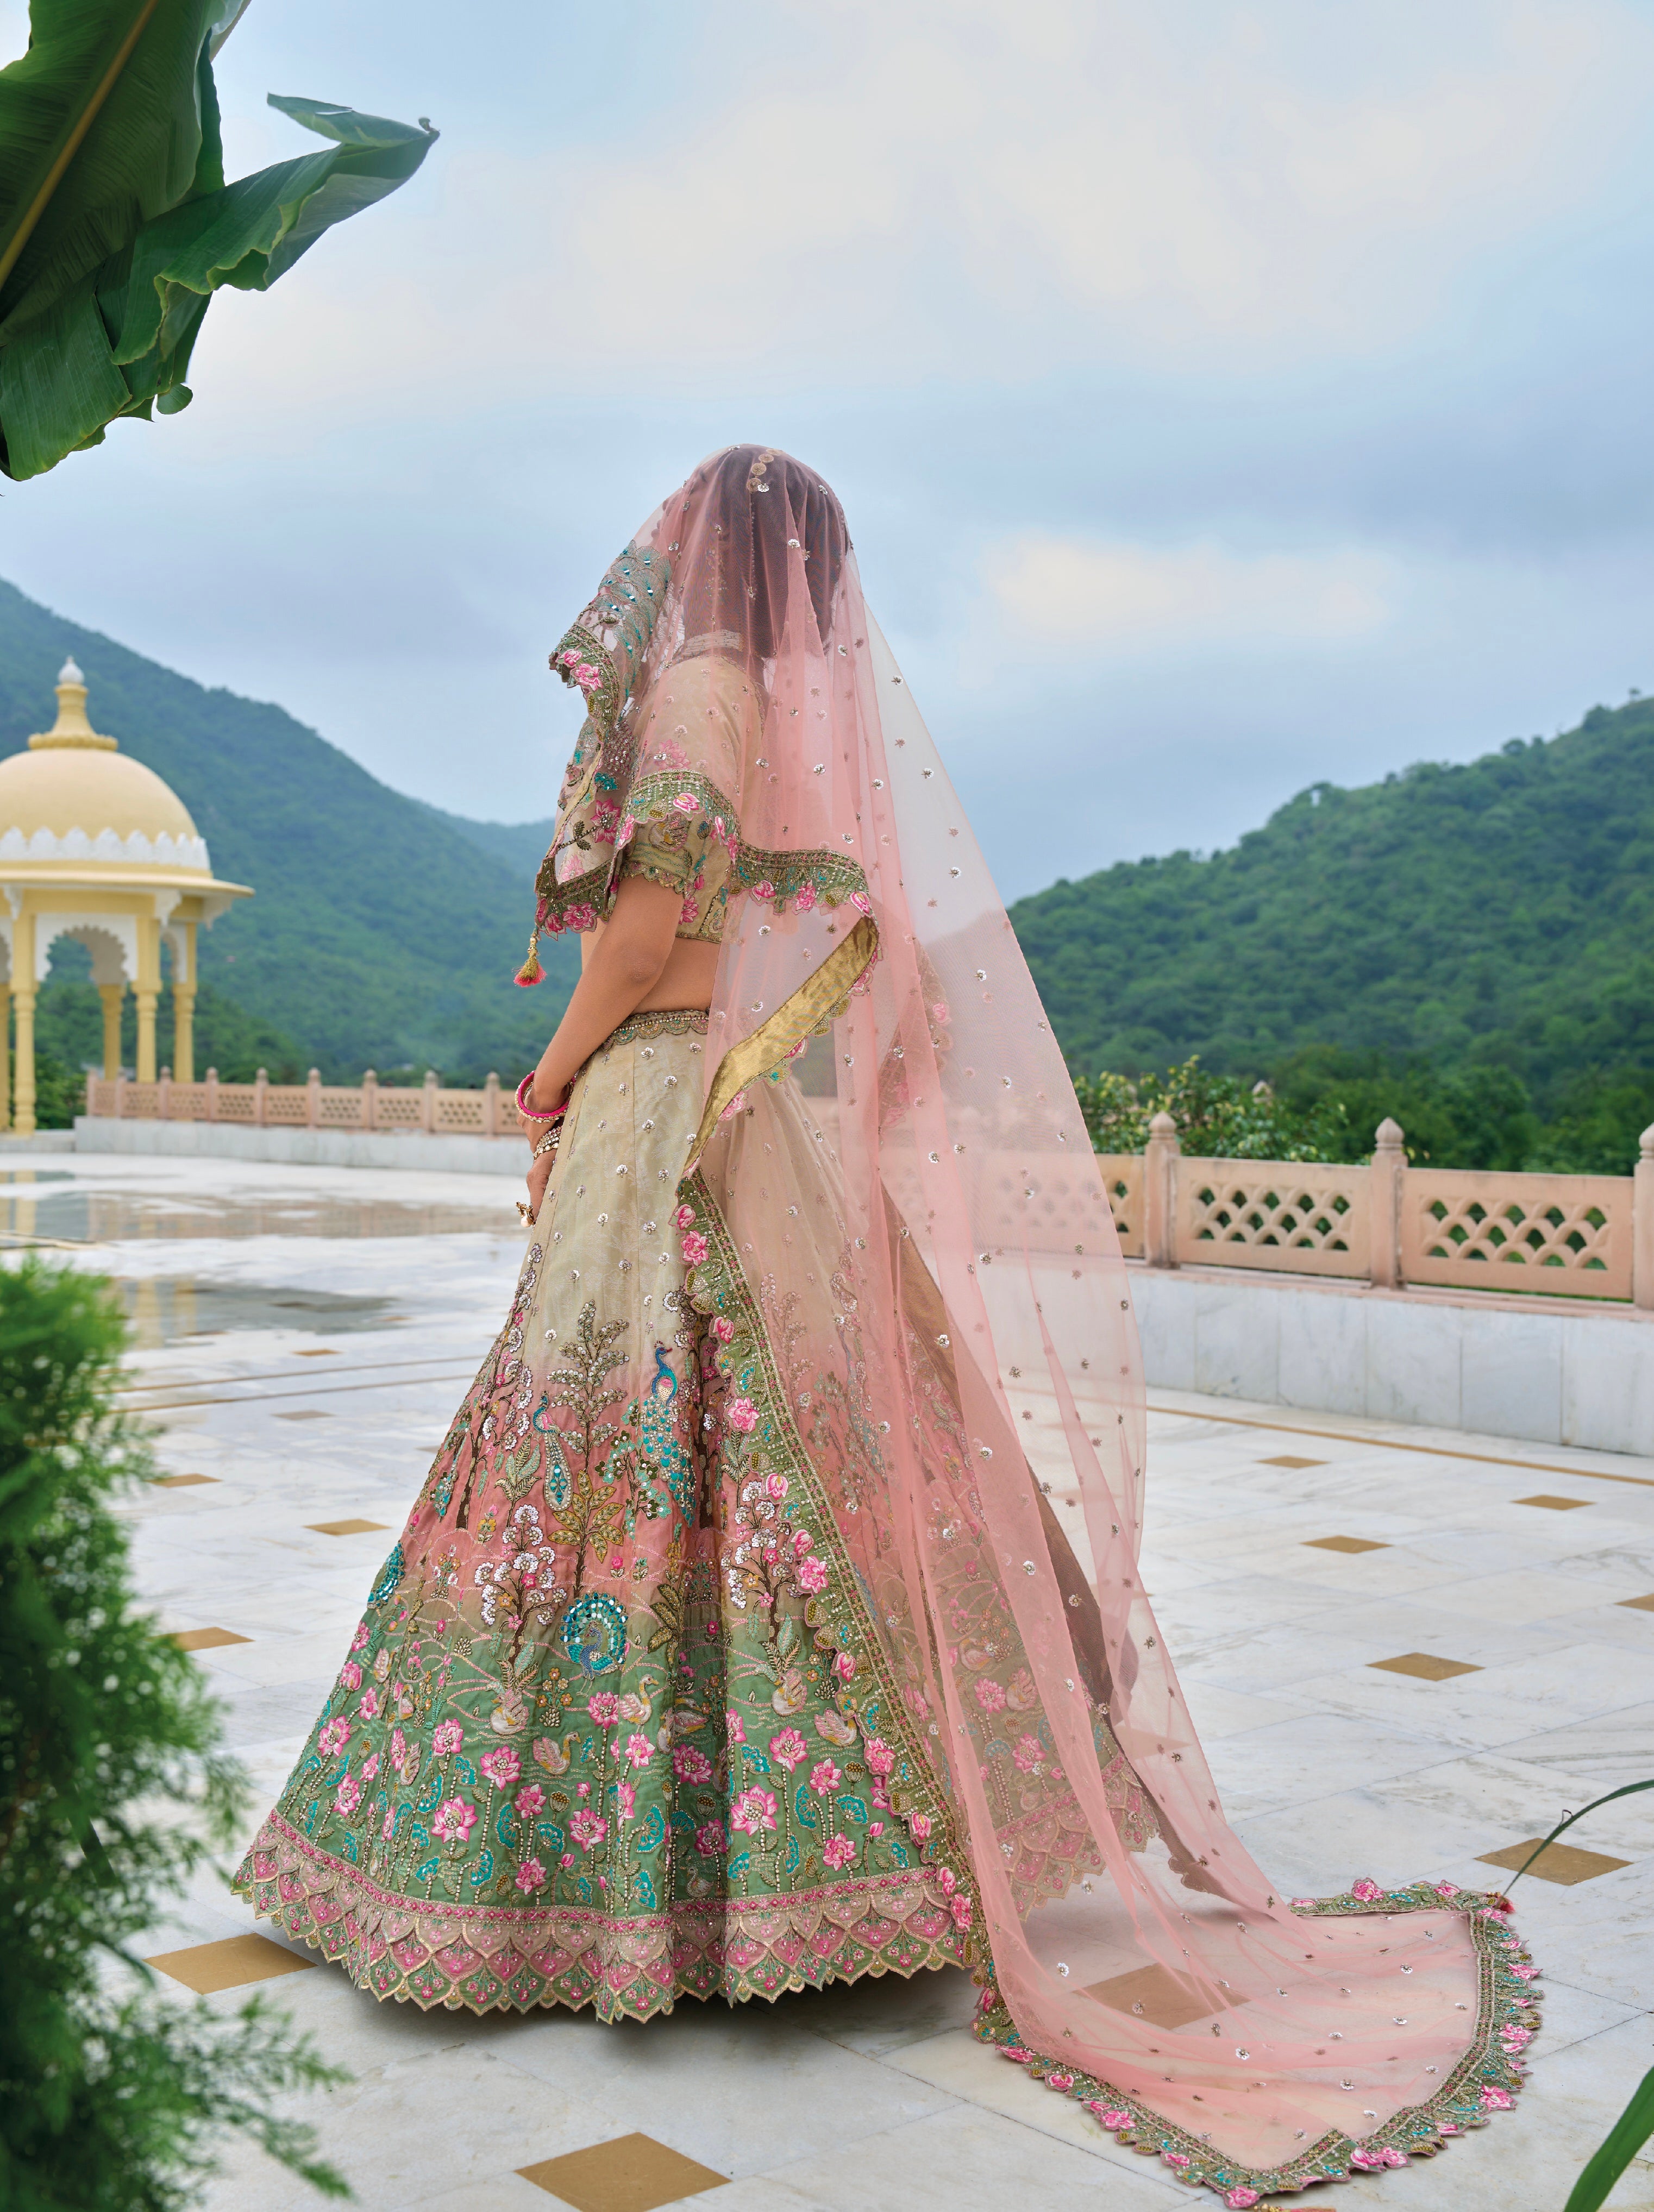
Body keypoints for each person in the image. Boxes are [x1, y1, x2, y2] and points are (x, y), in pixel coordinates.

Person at [235, 447, 1533, 2203]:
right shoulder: (814, 722)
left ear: (705, 557)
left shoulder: (694, 694)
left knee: (611, 1443)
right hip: (762, 1120)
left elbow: (635, 940)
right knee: (790, 1443)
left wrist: (544, 1088)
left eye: (678, 538)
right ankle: (836, 1859)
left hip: (661, 1123)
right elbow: (842, 945)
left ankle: (599, 1885)